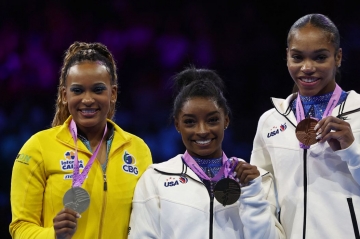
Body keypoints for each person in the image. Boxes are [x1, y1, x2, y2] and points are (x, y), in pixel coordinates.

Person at [250, 13, 360, 239]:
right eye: (297, 57)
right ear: (287, 57)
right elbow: (264, 199)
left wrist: (353, 152)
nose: (307, 67)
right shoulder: (271, 122)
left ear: (338, 57)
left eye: (320, 57)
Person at [9, 41, 152, 239]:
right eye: (77, 90)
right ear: (64, 95)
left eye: (98, 89)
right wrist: (53, 235)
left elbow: (148, 223)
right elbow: (20, 227)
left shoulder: (138, 150)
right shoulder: (38, 148)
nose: (87, 99)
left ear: (113, 93)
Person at [128, 66, 285, 239]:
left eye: (212, 120)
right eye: (190, 122)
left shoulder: (257, 180)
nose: (202, 130)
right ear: (177, 125)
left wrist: (252, 194)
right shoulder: (154, 179)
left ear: (226, 120)